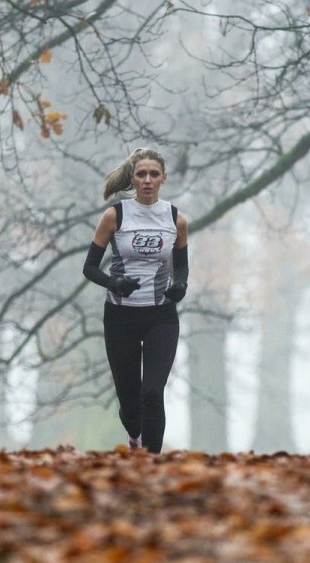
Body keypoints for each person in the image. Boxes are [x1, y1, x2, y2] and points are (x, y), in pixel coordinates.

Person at [82, 147, 189, 454]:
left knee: (153, 393)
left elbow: (180, 265)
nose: (147, 180)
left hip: (161, 317)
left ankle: (152, 464)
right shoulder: (114, 215)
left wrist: (180, 285)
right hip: (120, 317)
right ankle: (134, 436)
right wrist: (113, 281)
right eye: (141, 174)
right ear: (133, 177)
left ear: (163, 178)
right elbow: (89, 267)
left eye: (154, 174)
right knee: (130, 404)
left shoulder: (175, 219)